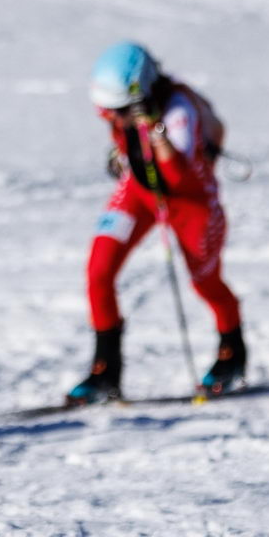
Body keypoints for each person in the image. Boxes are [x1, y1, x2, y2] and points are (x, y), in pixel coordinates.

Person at [68, 42, 244, 404]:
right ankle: (106, 369)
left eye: (117, 111)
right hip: (139, 190)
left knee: (205, 282)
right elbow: (126, 144)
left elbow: (179, 179)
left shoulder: (179, 110)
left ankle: (233, 353)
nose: (110, 118)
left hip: (190, 203)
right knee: (99, 268)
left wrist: (156, 136)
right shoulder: (121, 111)